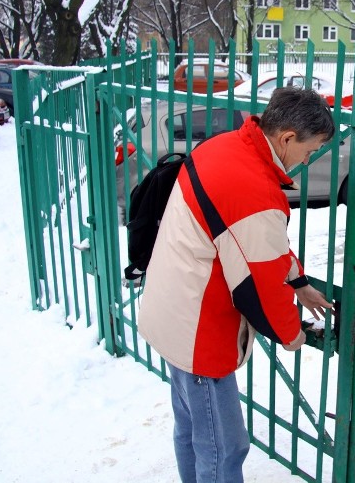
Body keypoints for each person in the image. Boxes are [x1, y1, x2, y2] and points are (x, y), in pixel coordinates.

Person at [138, 86, 335, 483]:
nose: (307, 159)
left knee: (192, 428)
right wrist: (292, 334)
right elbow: (260, 284)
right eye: (310, 150)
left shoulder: (227, 147)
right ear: (287, 138)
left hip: (172, 306)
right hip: (200, 329)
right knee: (225, 446)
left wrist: (297, 281)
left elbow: (255, 245)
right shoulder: (255, 190)